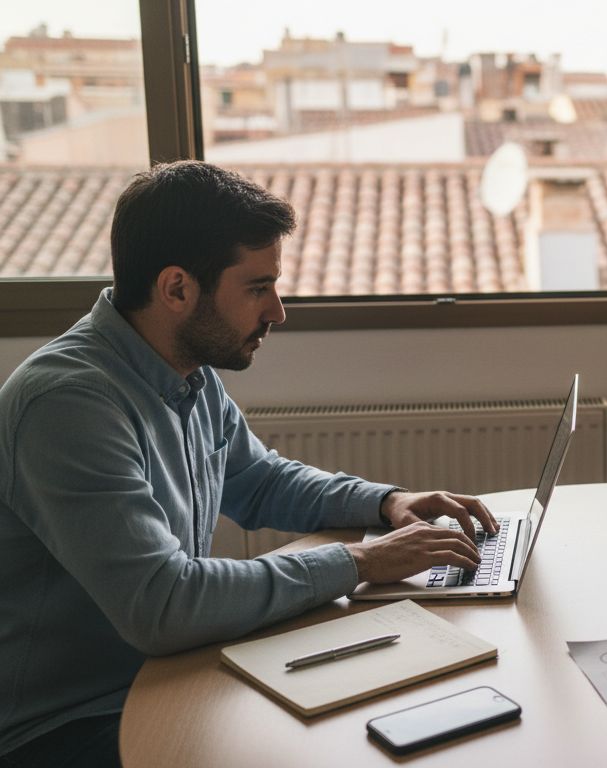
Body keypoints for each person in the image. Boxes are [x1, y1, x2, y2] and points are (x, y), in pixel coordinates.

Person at [0, 161, 497, 767]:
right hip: (69, 726)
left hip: (171, 674)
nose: (278, 311)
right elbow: (163, 605)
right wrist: (361, 561)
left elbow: (259, 480)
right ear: (177, 289)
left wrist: (386, 502)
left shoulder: (186, 371)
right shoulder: (68, 405)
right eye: (258, 288)